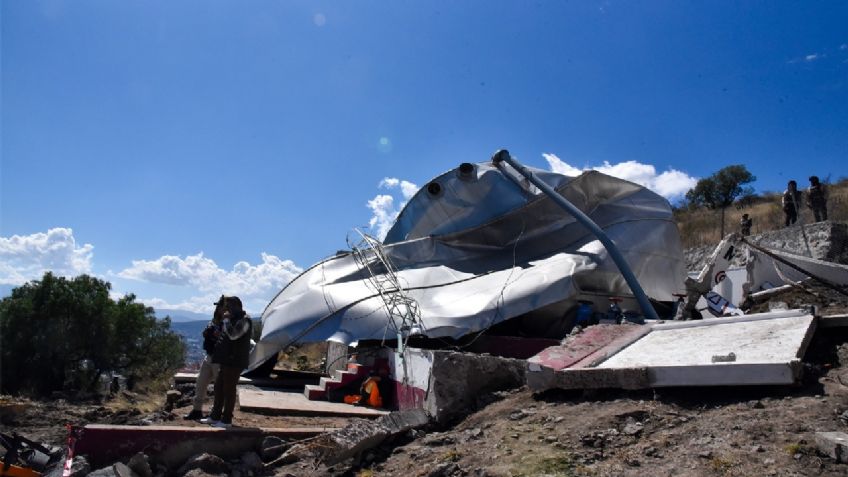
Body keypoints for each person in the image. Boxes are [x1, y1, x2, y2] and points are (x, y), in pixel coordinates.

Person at [200, 296, 252, 428]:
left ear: (234, 307)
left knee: (229, 390)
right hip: (225, 360)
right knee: (219, 388)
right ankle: (215, 416)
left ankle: (226, 420)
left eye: (227, 307)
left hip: (235, 361)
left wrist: (227, 321)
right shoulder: (232, 320)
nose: (224, 311)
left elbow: (234, 335)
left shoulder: (245, 320)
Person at [183, 297, 224, 420]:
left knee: (219, 387)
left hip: (220, 358)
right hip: (209, 355)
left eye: (220, 306)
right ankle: (197, 410)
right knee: (200, 383)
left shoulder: (229, 322)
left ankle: (217, 412)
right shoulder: (215, 320)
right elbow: (208, 333)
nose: (218, 308)